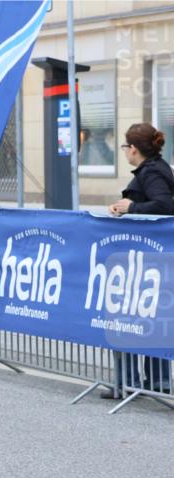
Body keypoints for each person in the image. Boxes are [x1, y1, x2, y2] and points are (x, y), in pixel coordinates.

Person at [106, 122, 173, 396]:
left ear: (133, 149)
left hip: (145, 260)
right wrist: (124, 208)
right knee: (148, 318)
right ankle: (154, 382)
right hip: (149, 258)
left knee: (129, 318)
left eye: (125, 146)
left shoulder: (152, 171)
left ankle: (131, 383)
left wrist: (132, 207)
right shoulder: (156, 168)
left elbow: (165, 205)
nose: (124, 151)